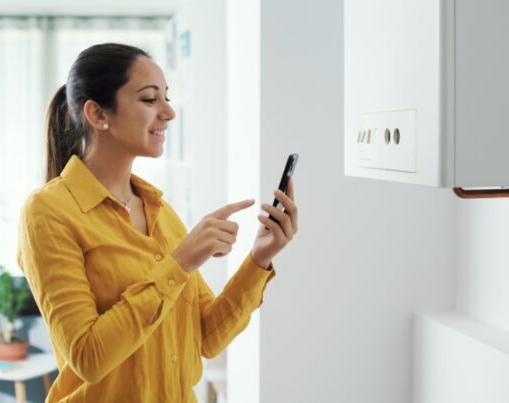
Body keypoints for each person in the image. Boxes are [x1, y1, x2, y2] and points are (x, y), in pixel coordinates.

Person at [16, 43, 298, 402]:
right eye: (150, 100)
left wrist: (259, 259)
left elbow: (207, 337)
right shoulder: (47, 212)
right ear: (98, 114)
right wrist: (178, 264)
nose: (168, 112)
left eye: (166, 97)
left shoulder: (159, 212)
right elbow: (88, 357)